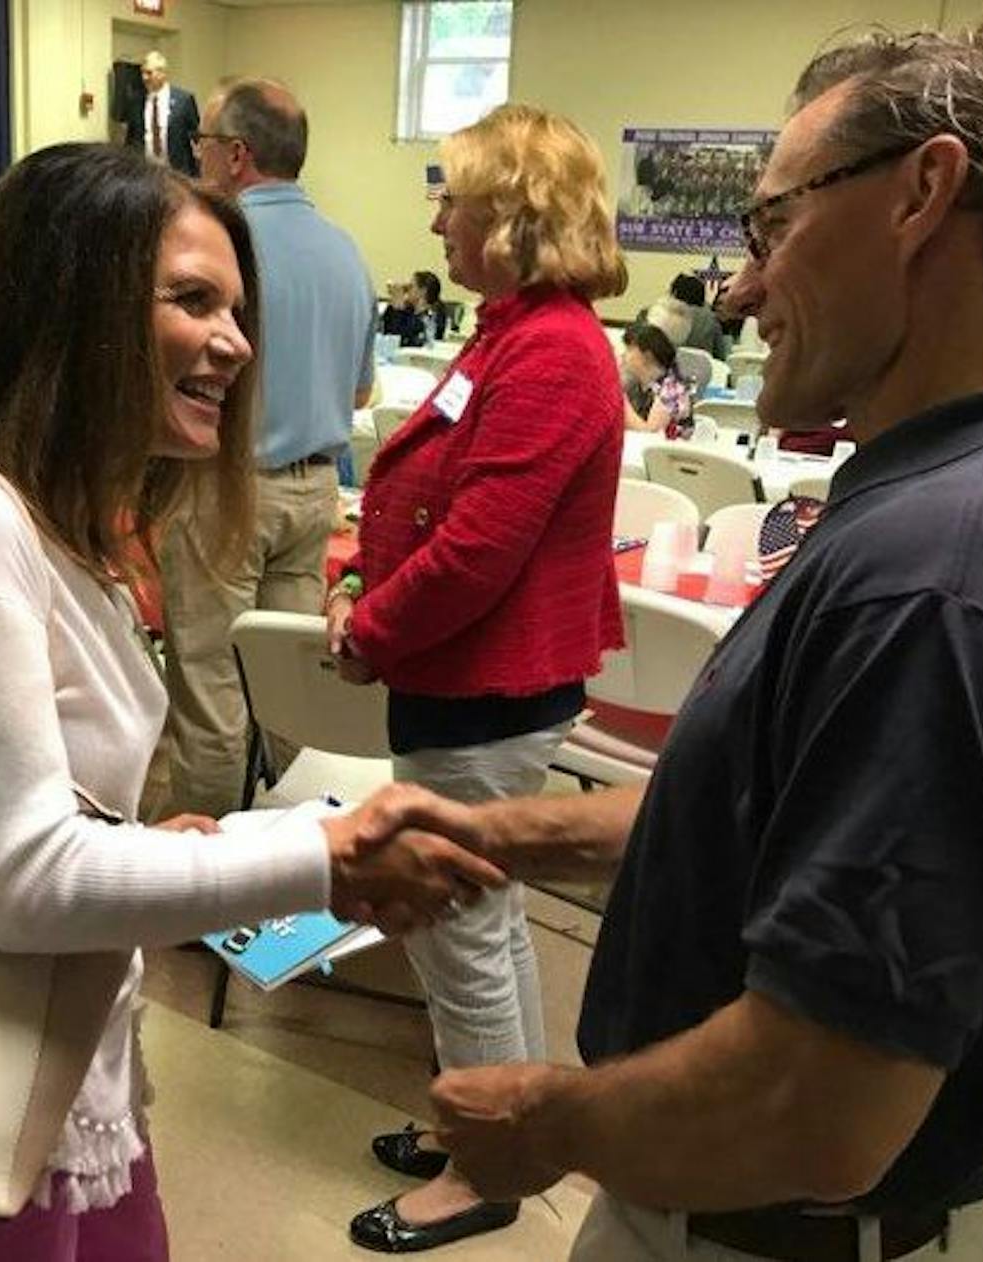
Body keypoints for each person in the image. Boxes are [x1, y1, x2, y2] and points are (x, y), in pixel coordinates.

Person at [343, 16, 983, 1262]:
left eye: (773, 228)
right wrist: (493, 831)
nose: (742, 289)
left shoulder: (936, 578)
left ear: (923, 193)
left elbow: (820, 1102)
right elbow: (789, 821)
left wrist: (550, 1119)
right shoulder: (966, 510)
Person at [0, 143, 502, 1262]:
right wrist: (318, 853)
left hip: (56, 1052)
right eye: (191, 300)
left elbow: (17, 815)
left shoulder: (57, 526)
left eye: (235, 308)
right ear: (66, 301)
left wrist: (137, 843)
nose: (234, 341)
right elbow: (26, 883)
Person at [328, 103, 626, 1253]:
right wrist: (358, 565)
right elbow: (428, 494)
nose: (440, 217)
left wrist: (370, 631)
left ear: (510, 214)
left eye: (453, 196)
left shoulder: (550, 347)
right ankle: (497, 1120)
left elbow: (476, 549)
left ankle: (485, 1167)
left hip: (486, 683)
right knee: (485, 922)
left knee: (459, 926)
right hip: (466, 675)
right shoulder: (511, 329)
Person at [161, 77, 374, 818]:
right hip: (317, 492)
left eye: (202, 145)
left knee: (213, 689)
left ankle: (209, 879)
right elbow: (358, 397)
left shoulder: (213, 247)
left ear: (236, 155)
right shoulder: (348, 253)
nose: (196, 159)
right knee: (291, 695)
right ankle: (302, 856)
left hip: (228, 490)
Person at [123, 51, 199, 176]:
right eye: (142, 72)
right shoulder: (136, 102)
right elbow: (130, 140)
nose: (144, 78)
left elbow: (197, 137)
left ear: (162, 73)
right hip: (145, 174)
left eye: (149, 73)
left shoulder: (184, 100)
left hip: (177, 172)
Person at [621, 323, 693, 436]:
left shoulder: (672, 388)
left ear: (647, 355)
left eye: (630, 349)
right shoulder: (635, 384)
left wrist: (621, 400)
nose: (623, 354)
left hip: (672, 451)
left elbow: (650, 435)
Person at [380, 270, 447, 347]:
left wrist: (398, 306)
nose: (407, 291)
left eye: (410, 287)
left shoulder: (432, 316)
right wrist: (394, 306)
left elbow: (402, 340)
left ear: (423, 291)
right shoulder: (408, 311)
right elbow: (387, 333)